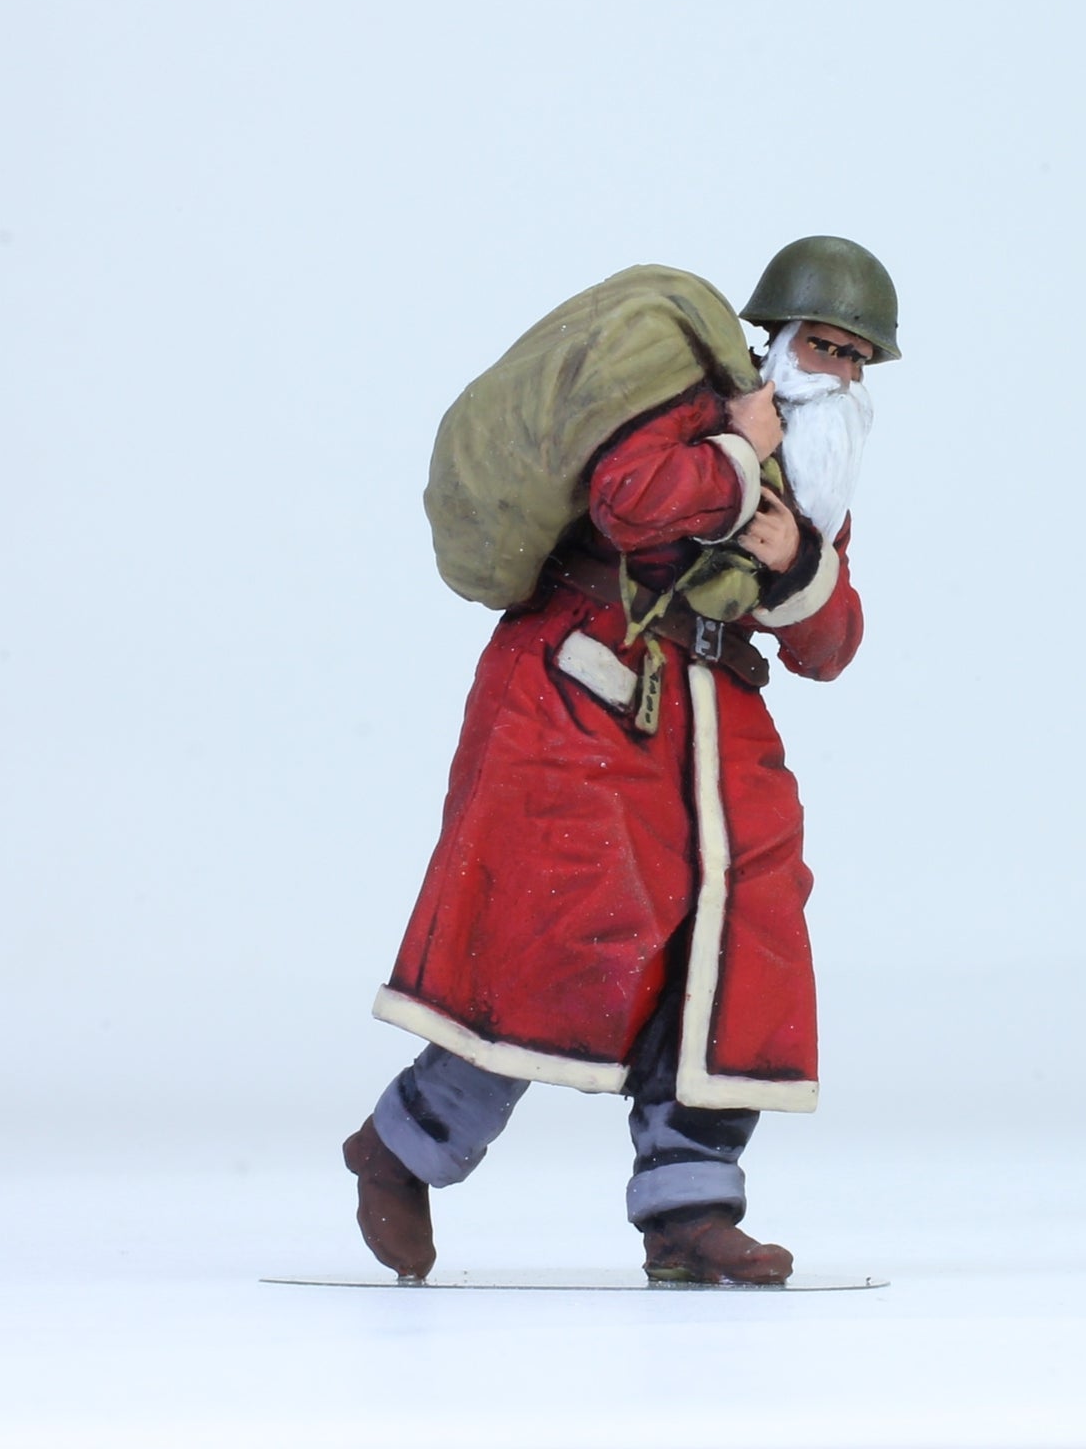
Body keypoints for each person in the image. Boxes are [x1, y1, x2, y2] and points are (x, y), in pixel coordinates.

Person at [345, 236, 900, 1284]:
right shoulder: (692, 405)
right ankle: (403, 1148)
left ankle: (691, 1211)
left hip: (718, 736)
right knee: (555, 947)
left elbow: (831, 646)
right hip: (586, 699)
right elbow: (632, 501)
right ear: (778, 340)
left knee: (735, 966)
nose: (839, 373)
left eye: (858, 359)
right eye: (824, 347)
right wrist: (732, 452)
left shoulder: (814, 478)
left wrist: (797, 560)